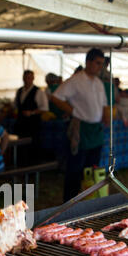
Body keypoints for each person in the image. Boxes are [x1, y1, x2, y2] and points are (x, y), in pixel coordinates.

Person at [50, 48, 108, 202]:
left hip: (96, 130)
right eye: (97, 63)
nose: (100, 67)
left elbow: (104, 105)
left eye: (102, 64)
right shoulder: (76, 80)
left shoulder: (99, 83)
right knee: (75, 170)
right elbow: (56, 97)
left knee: (93, 170)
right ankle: (70, 204)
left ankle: (90, 202)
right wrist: (73, 111)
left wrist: (106, 118)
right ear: (88, 62)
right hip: (81, 129)